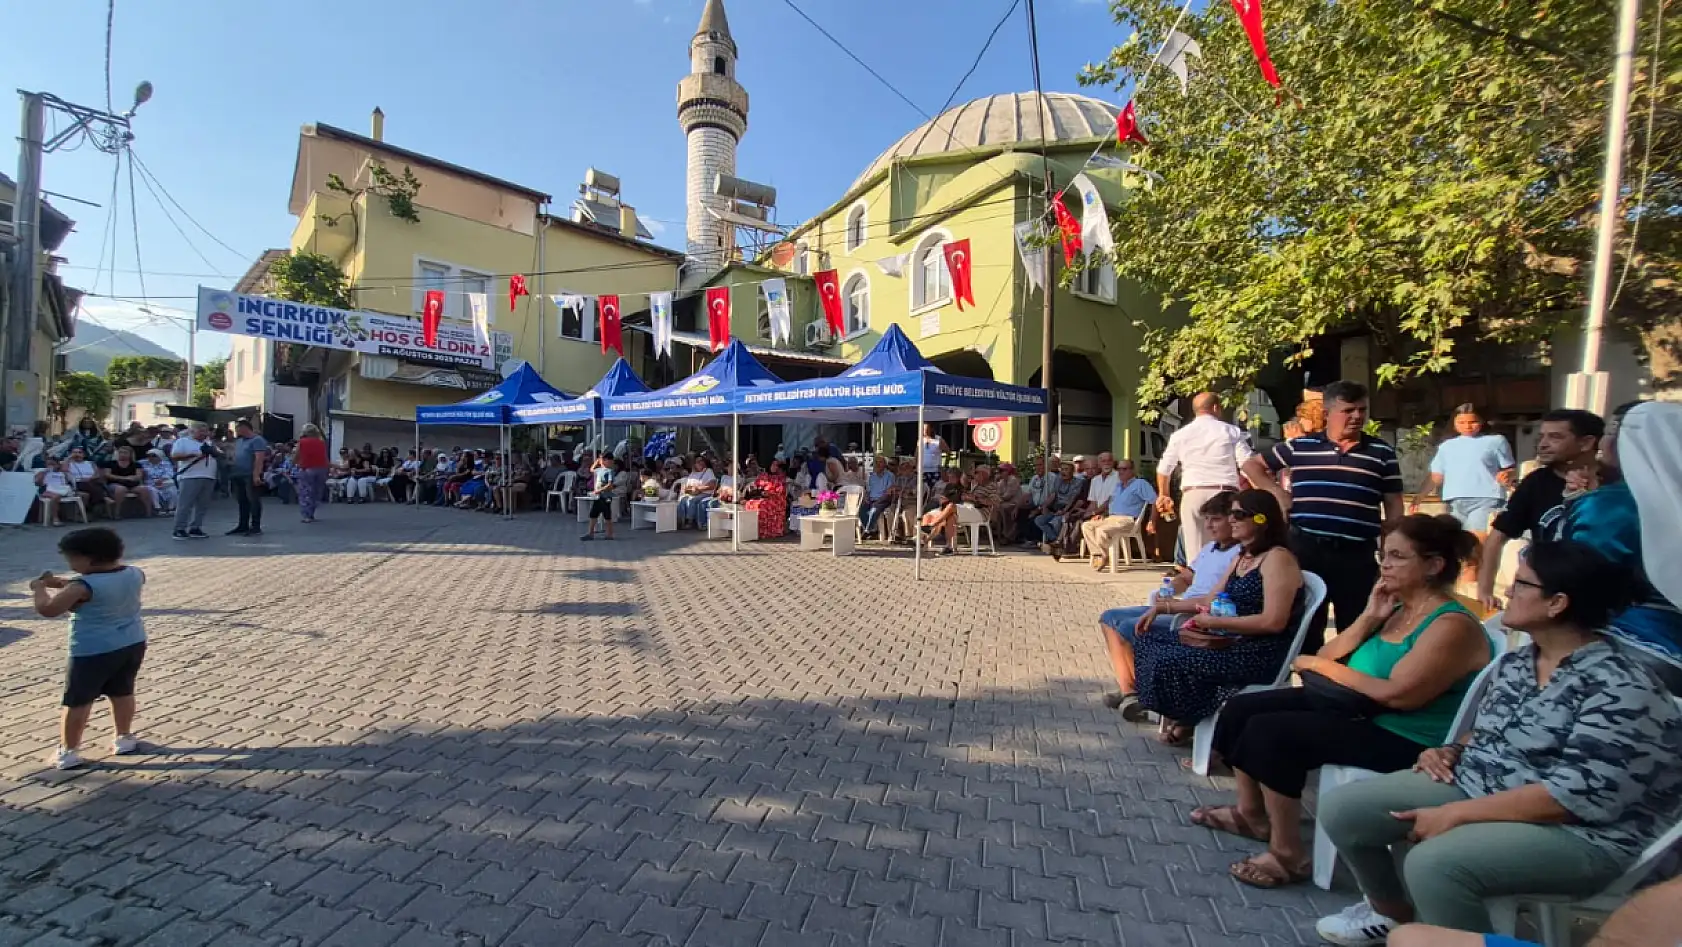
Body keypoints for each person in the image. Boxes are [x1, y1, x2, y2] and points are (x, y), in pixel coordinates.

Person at [1314, 541, 1682, 942]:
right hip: (1485, 785)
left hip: (1586, 834)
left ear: (1557, 602)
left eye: (1522, 583)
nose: (1508, 590)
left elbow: (1573, 797)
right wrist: (1451, 750)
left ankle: (1447, 937)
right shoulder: (1520, 662)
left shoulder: (1620, 686)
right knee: (1344, 809)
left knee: (1435, 863)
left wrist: (1457, 815)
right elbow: (1492, 730)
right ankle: (1394, 915)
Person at [1192, 513, 1491, 890]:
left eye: (1398, 556)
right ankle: (1253, 815)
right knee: (1243, 708)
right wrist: (1368, 617)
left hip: (1406, 735)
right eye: (1384, 554)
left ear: (1434, 565)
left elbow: (1398, 693)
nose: (1386, 564)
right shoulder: (1396, 609)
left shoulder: (1450, 625)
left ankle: (1288, 853)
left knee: (1275, 733)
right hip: (1360, 708)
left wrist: (1317, 665)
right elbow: (1333, 654)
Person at [1125, 490, 1303, 750]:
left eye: (1239, 514)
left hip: (1257, 651)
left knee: (1170, 660)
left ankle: (1196, 718)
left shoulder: (1278, 559)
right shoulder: (1243, 556)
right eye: (1230, 514)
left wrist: (1217, 623)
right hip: (1228, 640)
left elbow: (1272, 622)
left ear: (1262, 520)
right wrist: (1164, 607)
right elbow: (1209, 600)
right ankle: (1193, 714)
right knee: (1148, 641)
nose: (1231, 520)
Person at [1243, 380, 1403, 654]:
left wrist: (1393, 549)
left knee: (1357, 630)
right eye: (1349, 410)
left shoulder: (1381, 453)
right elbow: (1251, 465)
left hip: (1357, 555)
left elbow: (1394, 506)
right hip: (1307, 548)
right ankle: (1308, 688)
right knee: (1305, 627)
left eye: (1362, 410)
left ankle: (1346, 690)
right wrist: (1276, 493)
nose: (1356, 417)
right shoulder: (1300, 446)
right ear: (1328, 412)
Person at [1559, 401, 1682, 672]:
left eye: (1612, 430)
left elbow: (1573, 578)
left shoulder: (1610, 506)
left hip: (1630, 649)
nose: (1604, 443)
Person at [1098, 490, 1244, 714]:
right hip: (1177, 606)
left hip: (1193, 616)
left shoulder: (1238, 555)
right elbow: (1187, 576)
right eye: (1207, 519)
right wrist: (1168, 590)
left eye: (1216, 519)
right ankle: (1130, 688)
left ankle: (1139, 693)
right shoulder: (1210, 548)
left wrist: (1167, 606)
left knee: (1129, 627)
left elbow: (1212, 600)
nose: (1209, 526)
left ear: (1232, 520)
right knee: (1109, 618)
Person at [30, 527, 148, 770]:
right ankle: (124, 738)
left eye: (71, 558)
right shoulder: (135, 573)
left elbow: (48, 609)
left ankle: (68, 751)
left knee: (77, 700)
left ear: (87, 558)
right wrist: (59, 582)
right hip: (131, 643)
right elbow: (99, 584)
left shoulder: (81, 586)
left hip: (92, 650)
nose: (70, 563)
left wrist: (40, 589)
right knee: (123, 692)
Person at [1475, 408, 1603, 611]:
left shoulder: (1617, 483)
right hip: (1548, 596)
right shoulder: (1536, 483)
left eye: (1555, 437)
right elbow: (1497, 537)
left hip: (1603, 595)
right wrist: (1484, 590)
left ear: (1586, 443)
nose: (1542, 444)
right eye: (1541, 436)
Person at [1156, 393, 1254, 565]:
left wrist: (1164, 495)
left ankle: (1199, 586)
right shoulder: (1231, 431)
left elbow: (1164, 468)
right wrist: (1261, 491)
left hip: (1193, 493)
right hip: (1225, 494)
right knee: (1229, 549)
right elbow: (1247, 465)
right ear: (1216, 407)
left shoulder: (1180, 435)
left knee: (1195, 552)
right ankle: (1225, 587)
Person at [1421, 404, 1515, 534]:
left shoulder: (1496, 441)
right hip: (1454, 501)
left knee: (1475, 540)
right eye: (1461, 422)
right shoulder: (1446, 446)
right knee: (1454, 540)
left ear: (1482, 421)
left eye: (1473, 422)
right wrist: (1420, 496)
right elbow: (1436, 476)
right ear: (1454, 424)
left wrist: (1507, 475)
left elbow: (1510, 468)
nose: (1467, 426)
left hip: (1486, 498)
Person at [1081, 455, 1157, 571]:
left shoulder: (1140, 484)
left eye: (1125, 469)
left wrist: (1152, 521)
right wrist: (1102, 515)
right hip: (1111, 518)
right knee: (1087, 525)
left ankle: (1104, 556)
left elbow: (1155, 502)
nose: (1121, 472)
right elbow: (1112, 503)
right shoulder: (1118, 486)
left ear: (1132, 470)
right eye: (1119, 469)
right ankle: (1099, 554)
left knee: (1102, 530)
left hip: (1128, 520)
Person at [169, 421, 218, 540]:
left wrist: (214, 452)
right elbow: (175, 456)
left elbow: (219, 454)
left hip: (208, 476)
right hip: (190, 476)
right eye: (200, 431)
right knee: (185, 504)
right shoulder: (183, 441)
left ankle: (196, 527)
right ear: (192, 431)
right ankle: (179, 528)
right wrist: (194, 454)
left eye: (205, 431)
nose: (203, 433)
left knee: (202, 505)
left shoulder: (209, 442)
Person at [226, 418, 269, 536]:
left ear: (244, 428)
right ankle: (242, 525)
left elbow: (259, 458)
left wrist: (256, 475)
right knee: (242, 500)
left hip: (249, 474)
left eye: (237, 429)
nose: (236, 431)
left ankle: (255, 526)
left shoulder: (257, 440)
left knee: (253, 500)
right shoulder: (239, 441)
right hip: (237, 473)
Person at [1036, 458, 1087, 555]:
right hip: (1056, 509)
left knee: (1057, 521)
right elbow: (1053, 495)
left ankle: (1058, 545)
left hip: (1068, 509)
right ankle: (1056, 541)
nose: (1063, 472)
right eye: (1062, 469)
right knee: (1039, 520)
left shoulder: (1078, 482)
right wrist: (1044, 506)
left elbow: (1072, 499)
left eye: (1066, 469)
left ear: (1072, 471)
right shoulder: (1058, 480)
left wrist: (1064, 510)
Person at [100, 444, 155, 518]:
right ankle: (117, 512)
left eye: (125, 453)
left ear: (130, 454)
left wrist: (132, 478)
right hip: (115, 483)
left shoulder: (136, 464)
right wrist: (123, 478)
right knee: (121, 489)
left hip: (132, 484)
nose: (122, 454)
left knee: (144, 489)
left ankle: (149, 512)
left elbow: (139, 476)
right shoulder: (111, 463)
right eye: (121, 452)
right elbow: (107, 475)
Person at [742, 459, 789, 541]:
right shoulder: (763, 476)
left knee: (762, 505)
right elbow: (756, 484)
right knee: (749, 503)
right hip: (761, 497)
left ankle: (765, 532)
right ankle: (751, 530)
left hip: (776, 499)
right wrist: (755, 490)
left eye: (776, 465)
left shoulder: (780, 477)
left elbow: (781, 491)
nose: (775, 467)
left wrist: (769, 493)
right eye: (773, 465)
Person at [293, 424, 330, 523]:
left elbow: (297, 455)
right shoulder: (322, 443)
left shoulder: (302, 442)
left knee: (305, 492)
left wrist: (294, 463)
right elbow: (325, 457)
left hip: (307, 468)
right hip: (321, 469)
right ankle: (312, 513)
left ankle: (307, 515)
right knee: (316, 492)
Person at [581, 456, 619, 540]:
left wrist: (599, 490)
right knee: (593, 514)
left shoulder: (610, 471)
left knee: (607, 515)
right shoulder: (599, 470)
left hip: (606, 496)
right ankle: (590, 533)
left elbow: (610, 485)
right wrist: (596, 462)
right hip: (598, 497)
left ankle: (610, 534)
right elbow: (591, 469)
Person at [64, 446, 111, 513]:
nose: (77, 454)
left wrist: (90, 478)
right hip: (78, 483)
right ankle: (103, 498)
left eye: (79, 452)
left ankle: (95, 505)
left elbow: (97, 475)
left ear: (84, 454)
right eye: (74, 453)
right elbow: (64, 470)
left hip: (92, 481)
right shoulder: (69, 464)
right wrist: (69, 458)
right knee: (87, 484)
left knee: (94, 483)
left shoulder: (90, 463)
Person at [33, 458, 79, 526]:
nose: (51, 466)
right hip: (47, 490)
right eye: (48, 464)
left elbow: (67, 482)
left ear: (58, 465)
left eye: (53, 464)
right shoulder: (42, 472)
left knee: (84, 495)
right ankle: (55, 518)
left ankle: (76, 515)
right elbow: (37, 483)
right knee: (56, 497)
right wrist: (44, 473)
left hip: (61, 489)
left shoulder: (62, 473)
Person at [859, 455, 896, 538]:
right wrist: (867, 497)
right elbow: (868, 491)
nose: (878, 464)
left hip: (884, 500)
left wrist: (878, 501)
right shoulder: (872, 477)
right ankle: (872, 530)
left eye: (880, 462)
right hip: (872, 500)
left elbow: (888, 492)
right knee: (861, 510)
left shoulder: (890, 476)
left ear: (885, 464)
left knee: (874, 510)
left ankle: (868, 530)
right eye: (876, 462)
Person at [919, 483, 962, 555]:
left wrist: (947, 500)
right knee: (927, 515)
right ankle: (924, 538)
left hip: (955, 511)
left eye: (952, 477)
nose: (950, 479)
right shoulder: (949, 486)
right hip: (943, 509)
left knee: (944, 518)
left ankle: (924, 538)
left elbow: (957, 501)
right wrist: (943, 499)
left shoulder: (960, 488)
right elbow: (942, 499)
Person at [676, 457, 718, 528]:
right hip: (692, 493)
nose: (700, 463)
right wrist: (691, 490)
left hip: (705, 493)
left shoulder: (708, 471)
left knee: (692, 500)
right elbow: (686, 486)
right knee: (682, 499)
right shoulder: (693, 473)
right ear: (694, 464)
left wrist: (699, 489)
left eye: (701, 461)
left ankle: (690, 521)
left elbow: (712, 485)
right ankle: (681, 521)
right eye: (698, 462)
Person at [139, 449, 176, 515]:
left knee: (172, 488)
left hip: (164, 482)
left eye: (153, 456)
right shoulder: (142, 463)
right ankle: (158, 508)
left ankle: (171, 508)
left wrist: (161, 479)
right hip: (149, 482)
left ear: (159, 456)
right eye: (148, 456)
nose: (150, 457)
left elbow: (170, 474)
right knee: (152, 490)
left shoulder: (166, 463)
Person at [919, 424, 948, 489]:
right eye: (923, 429)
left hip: (935, 470)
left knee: (934, 489)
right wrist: (916, 466)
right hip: (923, 470)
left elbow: (948, 451)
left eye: (926, 429)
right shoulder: (921, 440)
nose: (925, 431)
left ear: (931, 429)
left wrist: (944, 465)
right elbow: (916, 454)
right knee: (924, 490)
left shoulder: (938, 439)